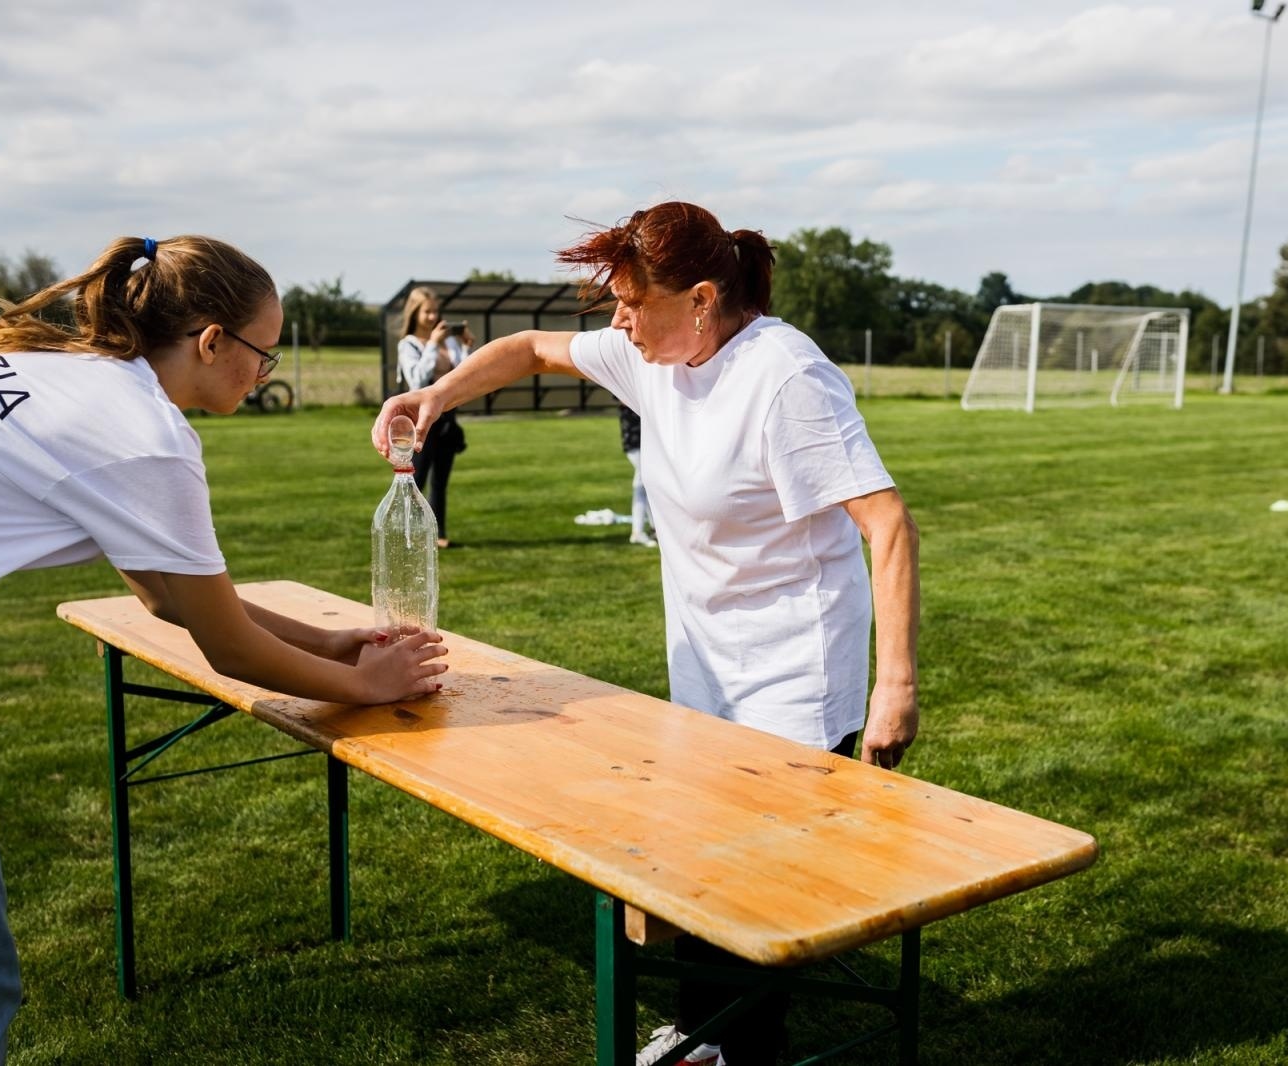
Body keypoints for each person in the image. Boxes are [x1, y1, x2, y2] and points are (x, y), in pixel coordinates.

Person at [373, 201, 920, 1065]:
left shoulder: (784, 378)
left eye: (632, 303)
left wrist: (896, 689)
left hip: (792, 672)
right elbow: (527, 349)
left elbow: (887, 525)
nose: (618, 322)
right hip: (705, 666)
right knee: (704, 862)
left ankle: (739, 1046)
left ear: (702, 299)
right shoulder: (653, 359)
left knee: (756, 883)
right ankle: (709, 1031)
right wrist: (436, 395)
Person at [0, 235, 449, 1066]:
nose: (265, 373)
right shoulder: (144, 435)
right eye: (262, 353)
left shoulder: (80, 376)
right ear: (212, 341)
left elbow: (165, 594)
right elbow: (228, 646)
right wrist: (363, 684)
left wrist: (330, 641)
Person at [396, 287, 473, 548]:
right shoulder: (408, 345)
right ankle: (407, 534)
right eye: (427, 312)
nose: (432, 317)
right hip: (420, 420)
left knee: (440, 482)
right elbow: (416, 380)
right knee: (414, 480)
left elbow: (465, 375)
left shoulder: (448, 342)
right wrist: (431, 345)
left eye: (435, 311)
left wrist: (466, 346)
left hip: (448, 418)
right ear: (415, 313)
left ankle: (438, 535)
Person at [617, 403, 656, 547]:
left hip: (640, 440)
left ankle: (649, 529)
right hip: (635, 440)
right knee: (643, 484)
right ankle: (641, 531)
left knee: (643, 484)